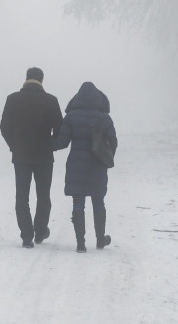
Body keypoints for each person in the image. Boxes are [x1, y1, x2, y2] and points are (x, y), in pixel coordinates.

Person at [0, 67, 63, 248]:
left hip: (21, 156)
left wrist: (14, 146)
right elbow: (60, 128)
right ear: (42, 80)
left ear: (26, 79)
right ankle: (41, 231)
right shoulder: (51, 101)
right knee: (43, 196)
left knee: (22, 196)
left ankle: (27, 236)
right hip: (44, 156)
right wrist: (51, 145)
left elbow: (4, 127)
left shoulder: (12, 100)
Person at [52, 81, 117, 253]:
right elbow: (113, 142)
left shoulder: (72, 117)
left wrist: (44, 143)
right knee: (98, 200)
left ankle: (80, 243)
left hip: (76, 164)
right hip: (98, 164)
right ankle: (100, 240)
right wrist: (107, 157)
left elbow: (61, 142)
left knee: (78, 201)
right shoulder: (105, 118)